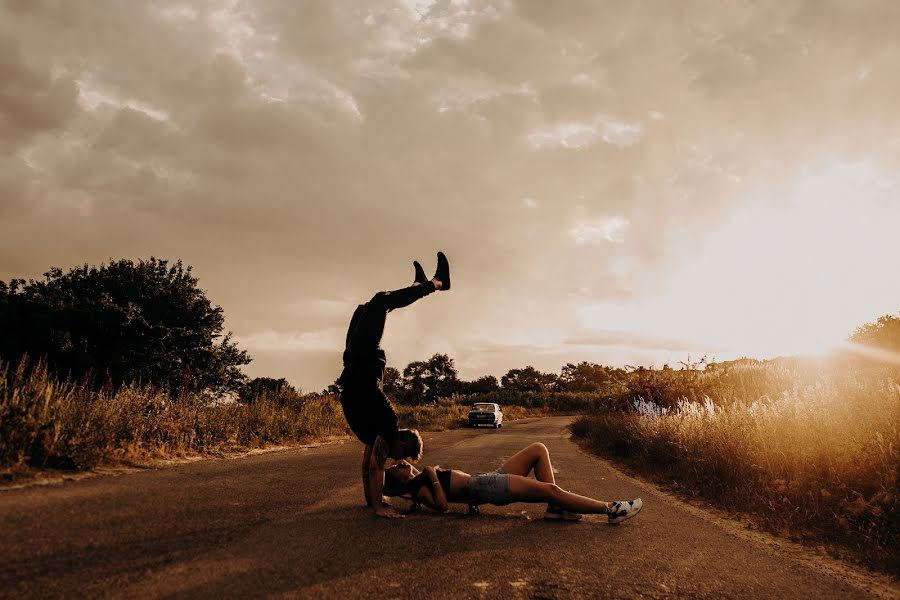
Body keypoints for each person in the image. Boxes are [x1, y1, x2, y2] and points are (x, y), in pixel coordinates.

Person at [338, 252, 451, 519]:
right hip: (362, 364)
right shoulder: (388, 425)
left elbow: (369, 467)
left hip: (356, 365)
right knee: (375, 304)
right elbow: (375, 467)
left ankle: (423, 286)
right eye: (401, 456)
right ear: (402, 442)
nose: (395, 460)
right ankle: (436, 284)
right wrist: (378, 504)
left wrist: (374, 503)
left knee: (373, 305)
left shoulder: (375, 436)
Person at [383, 442, 643, 523]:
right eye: (396, 468)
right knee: (550, 490)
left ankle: (556, 508)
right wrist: (431, 476)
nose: (401, 463)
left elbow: (458, 492)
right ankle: (611, 509)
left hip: (486, 480)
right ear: (398, 481)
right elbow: (440, 505)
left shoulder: (419, 479)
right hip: (489, 488)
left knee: (538, 449)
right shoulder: (418, 487)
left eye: (399, 462)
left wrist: (471, 500)